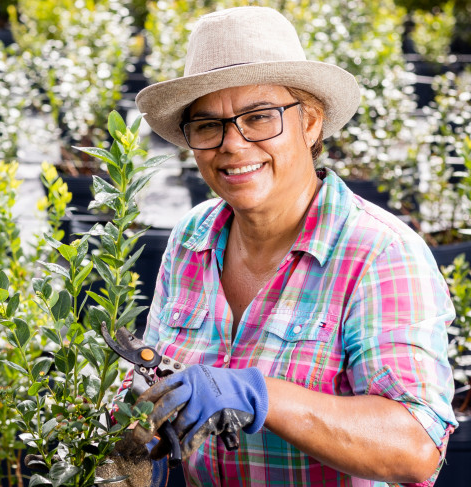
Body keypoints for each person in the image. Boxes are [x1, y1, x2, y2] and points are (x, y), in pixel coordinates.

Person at [129, 6, 458, 486]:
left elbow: (416, 447)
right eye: (207, 125)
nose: (233, 144)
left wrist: (261, 395)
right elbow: (156, 380)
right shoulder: (191, 239)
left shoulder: (379, 252)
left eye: (259, 117)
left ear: (310, 124)